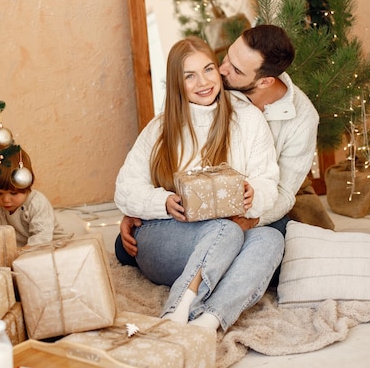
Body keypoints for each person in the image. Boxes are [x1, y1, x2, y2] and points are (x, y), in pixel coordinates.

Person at [116, 25, 319, 280]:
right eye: (225, 58)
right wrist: (142, 207)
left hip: (259, 207)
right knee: (128, 245)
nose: (222, 71)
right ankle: (223, 266)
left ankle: (218, 272)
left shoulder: (301, 119)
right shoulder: (215, 86)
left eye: (234, 69)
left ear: (264, 81)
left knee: (277, 249)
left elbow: (281, 192)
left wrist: (246, 220)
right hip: (193, 211)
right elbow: (145, 170)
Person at [114, 36, 283, 332]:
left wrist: (251, 193)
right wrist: (163, 202)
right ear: (176, 83)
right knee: (225, 229)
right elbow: (125, 189)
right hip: (168, 238)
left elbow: (268, 181)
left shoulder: (248, 121)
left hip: (224, 242)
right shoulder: (159, 129)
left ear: (218, 70)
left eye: (208, 69)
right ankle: (175, 314)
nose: (203, 82)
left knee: (271, 240)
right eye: (189, 75)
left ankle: (208, 322)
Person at [0, 145, 71, 247]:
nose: (6, 200)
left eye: (13, 193)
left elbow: (41, 237)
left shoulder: (36, 203)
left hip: (52, 247)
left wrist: (22, 254)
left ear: (26, 184)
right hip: (20, 253)